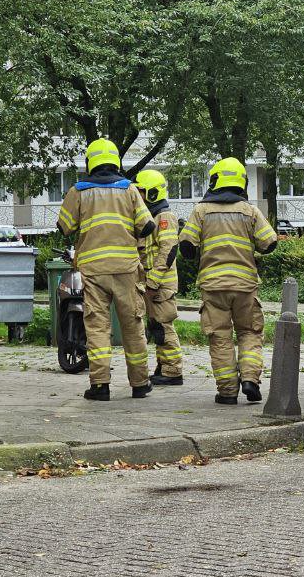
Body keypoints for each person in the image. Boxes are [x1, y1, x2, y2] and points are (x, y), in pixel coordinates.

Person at [56, 139, 155, 401]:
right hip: (126, 269)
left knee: (97, 327)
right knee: (132, 326)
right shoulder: (129, 189)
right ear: (115, 161)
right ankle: (140, 383)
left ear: (91, 162)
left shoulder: (79, 191)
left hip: (94, 271)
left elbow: (64, 226)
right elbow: (147, 226)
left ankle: (100, 385)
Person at [179, 157, 278, 405]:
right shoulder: (250, 211)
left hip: (213, 286)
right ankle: (250, 379)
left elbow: (187, 246)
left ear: (215, 180)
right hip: (245, 286)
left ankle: (227, 392)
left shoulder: (201, 211)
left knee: (220, 338)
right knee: (250, 332)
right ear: (242, 182)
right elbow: (270, 243)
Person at [135, 169, 183, 386]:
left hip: (160, 284)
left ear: (152, 193)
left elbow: (168, 251)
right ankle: (164, 366)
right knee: (156, 327)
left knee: (163, 327)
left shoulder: (165, 217)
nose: (138, 196)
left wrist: (153, 281)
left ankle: (173, 371)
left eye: (141, 191)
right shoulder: (150, 217)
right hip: (152, 284)